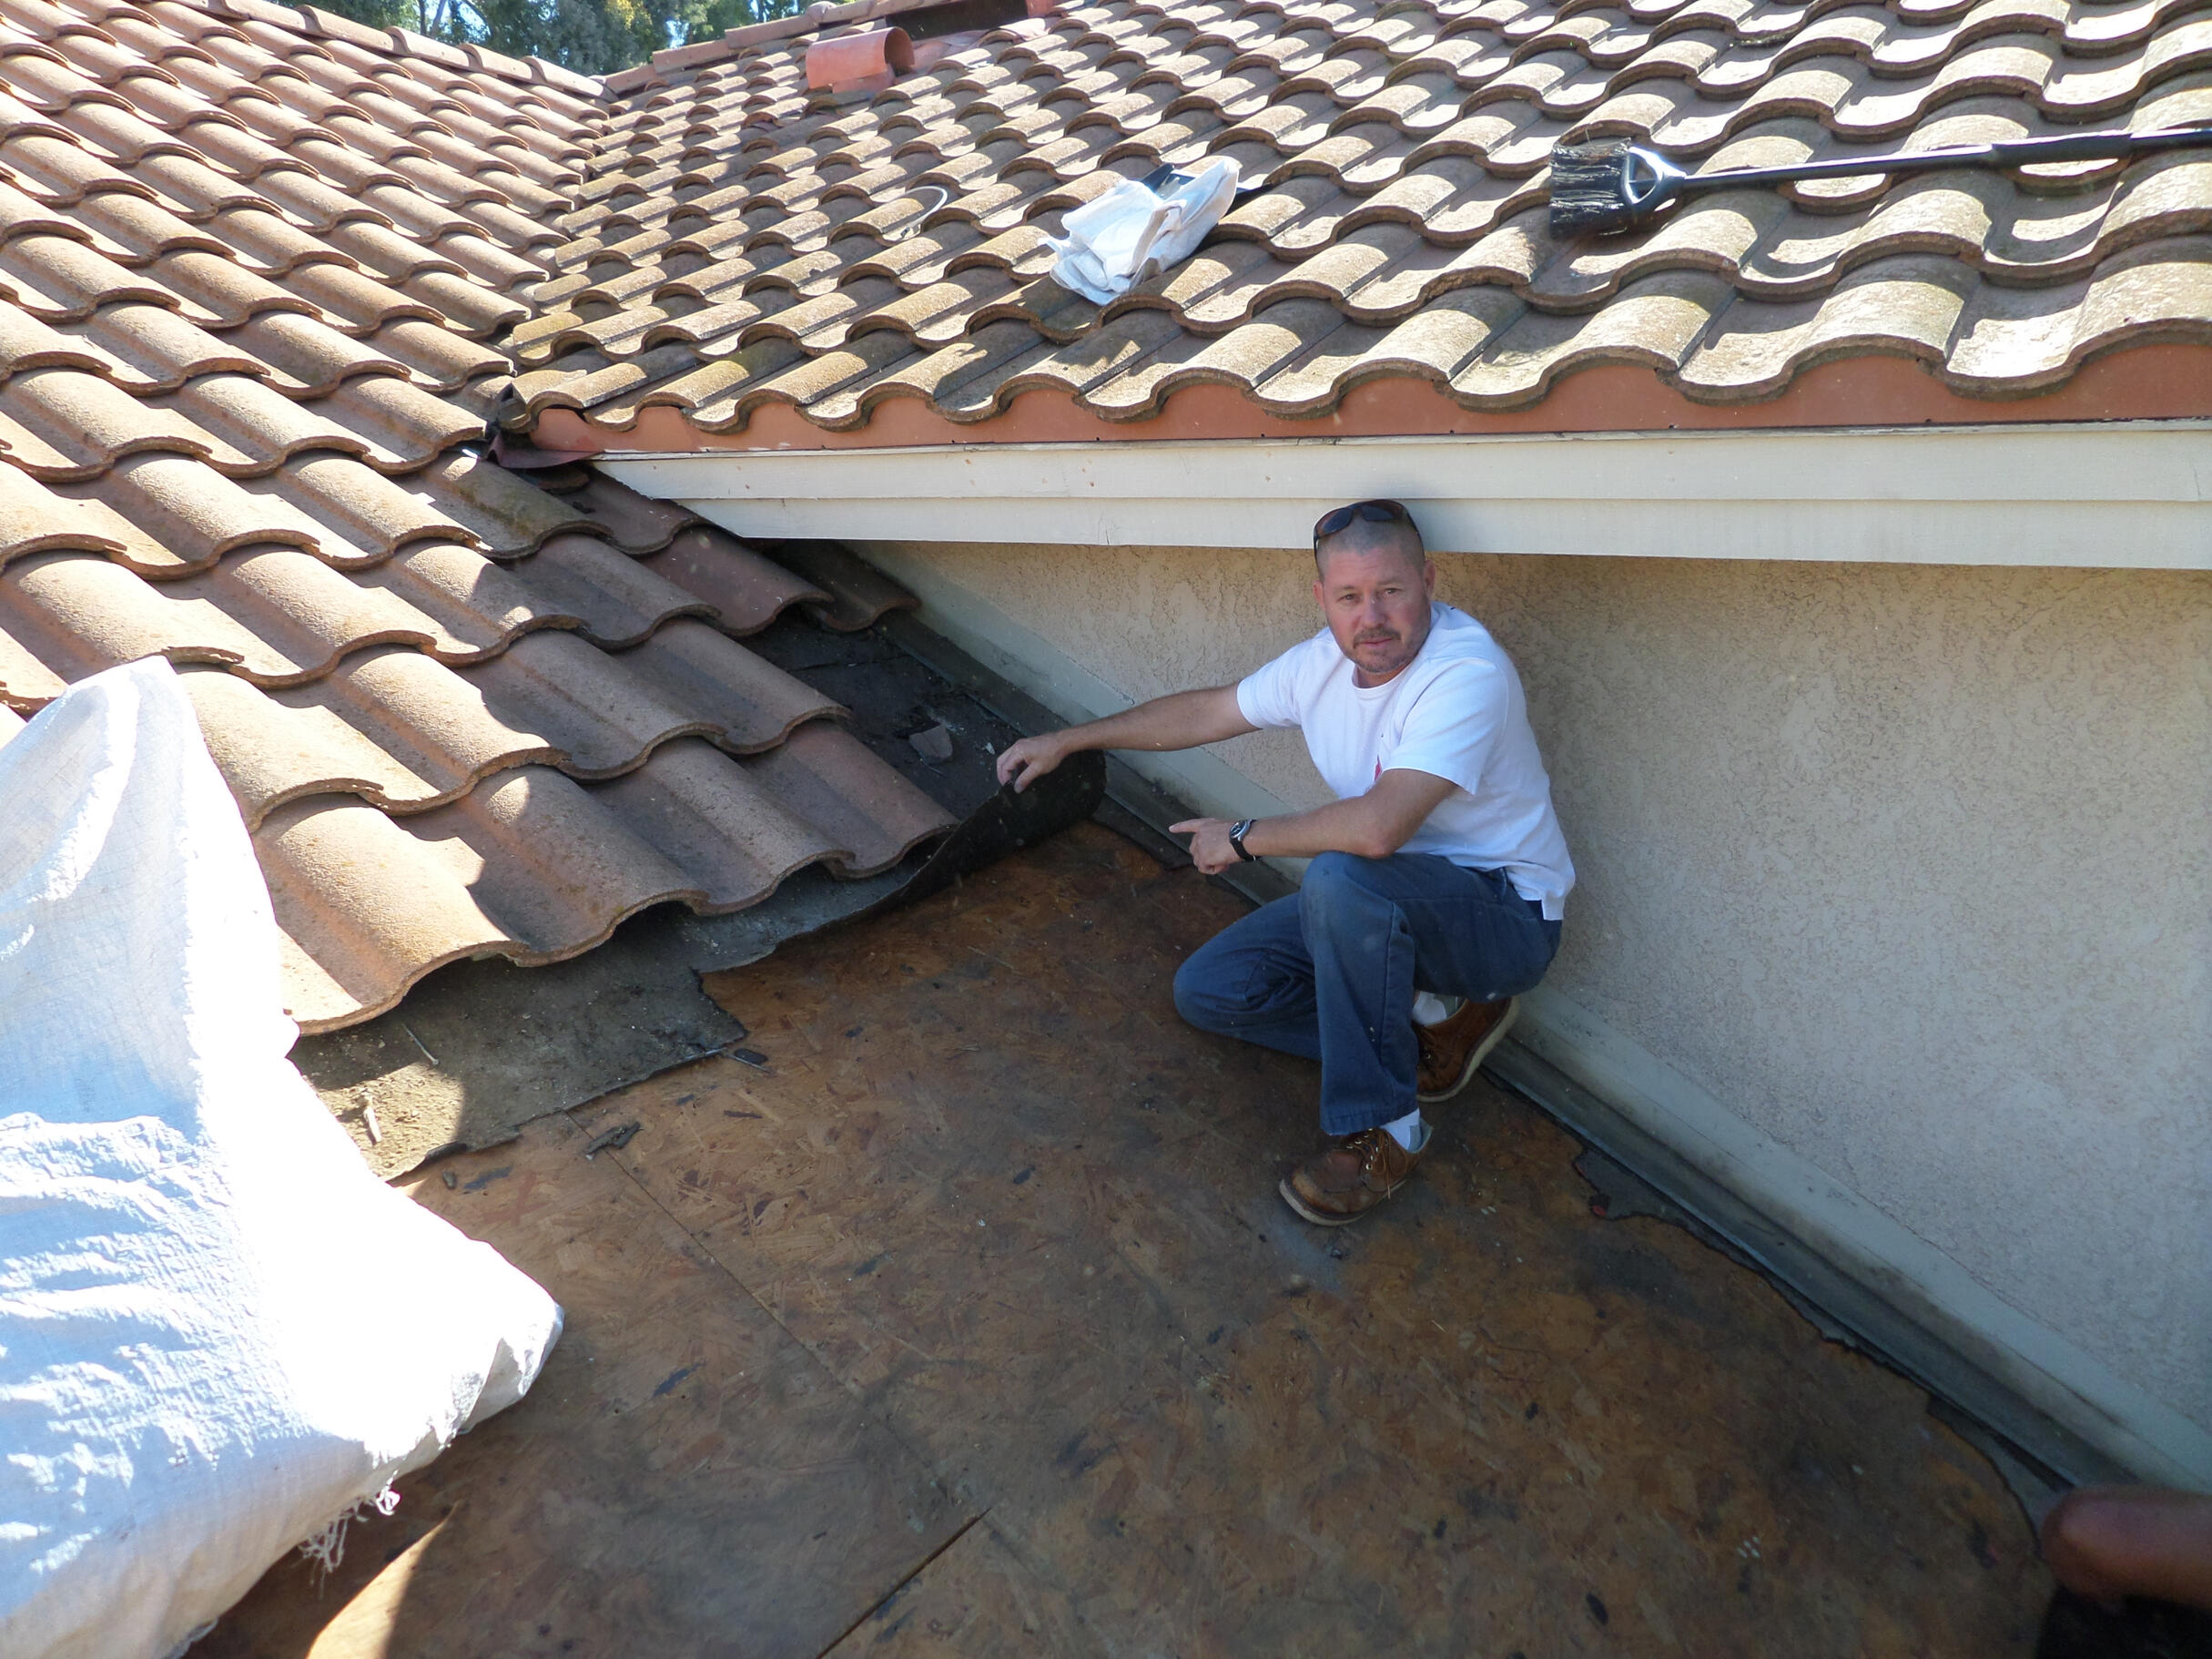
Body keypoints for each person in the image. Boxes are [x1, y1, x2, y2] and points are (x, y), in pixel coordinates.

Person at [994, 500, 1573, 1226]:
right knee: (1212, 990)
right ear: (1322, 598)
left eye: (1392, 591)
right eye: (1350, 597)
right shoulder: (1324, 664)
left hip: (1502, 917)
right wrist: (1072, 740)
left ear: (1428, 580)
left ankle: (1387, 1129)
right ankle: (1432, 1027)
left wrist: (1240, 836)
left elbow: (1378, 829)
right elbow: (1207, 712)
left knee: (1339, 872)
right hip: (1383, 903)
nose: (1373, 618)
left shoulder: (1465, 674)